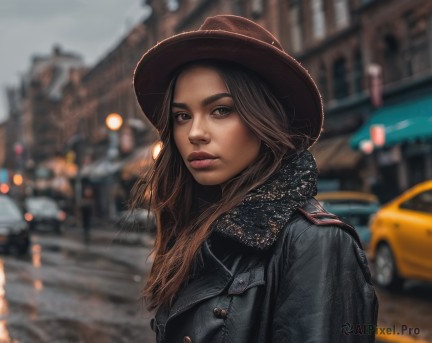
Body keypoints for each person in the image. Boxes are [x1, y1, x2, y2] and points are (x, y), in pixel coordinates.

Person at [130, 15, 378, 342]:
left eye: (221, 110)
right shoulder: (191, 231)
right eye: (182, 116)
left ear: (264, 118)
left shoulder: (314, 243)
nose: (195, 133)